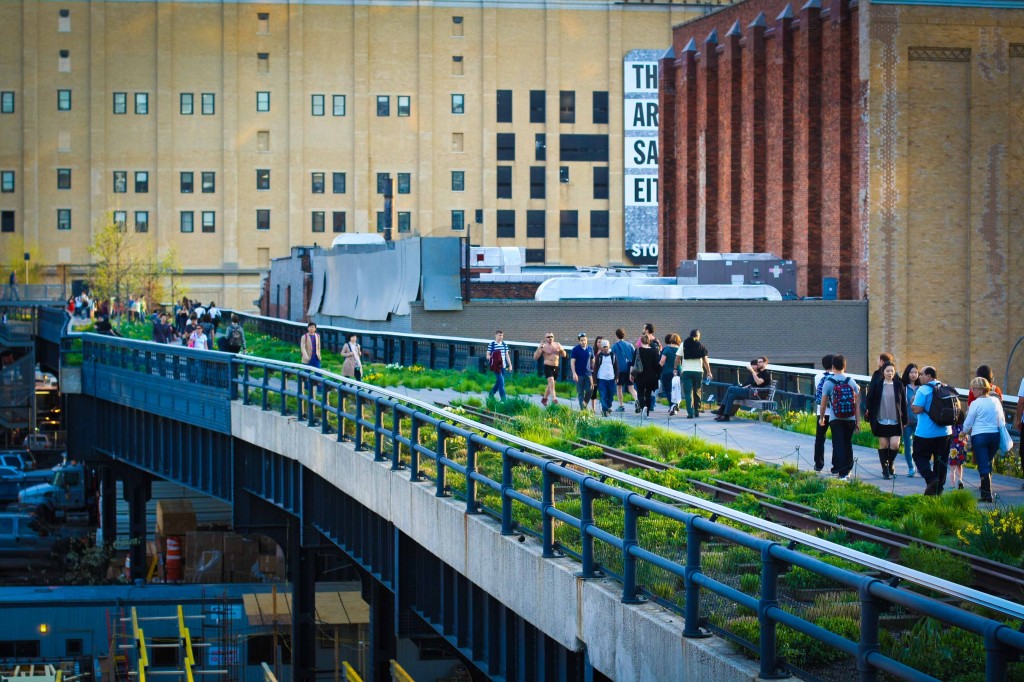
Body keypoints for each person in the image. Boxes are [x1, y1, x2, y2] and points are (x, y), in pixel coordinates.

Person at [912, 366, 954, 496]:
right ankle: (937, 492)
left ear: (929, 376)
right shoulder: (946, 388)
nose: (919, 377)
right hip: (945, 432)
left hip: (926, 433)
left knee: (919, 456)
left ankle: (932, 480)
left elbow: (917, 409)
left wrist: (912, 402)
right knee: (941, 461)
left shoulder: (923, 390)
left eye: (922, 374)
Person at [962, 377, 1005, 503]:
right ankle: (987, 490)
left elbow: (968, 423)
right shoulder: (995, 401)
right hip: (994, 436)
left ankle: (986, 495)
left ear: (981, 390)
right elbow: (1001, 420)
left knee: (983, 465)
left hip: (980, 436)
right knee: (987, 462)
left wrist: (963, 432)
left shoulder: (975, 404)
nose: (972, 391)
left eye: (973, 389)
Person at [819, 354, 860, 481]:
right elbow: (857, 404)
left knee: (838, 444)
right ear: (844, 366)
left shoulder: (828, 382)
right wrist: (858, 421)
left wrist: (822, 418)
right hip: (850, 418)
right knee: (847, 443)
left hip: (835, 418)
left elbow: (823, 403)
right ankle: (847, 471)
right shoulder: (851, 381)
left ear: (832, 366)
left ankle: (840, 471)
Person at [864, 362, 907, 479]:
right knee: (883, 444)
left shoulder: (899, 385)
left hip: (895, 420)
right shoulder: (878, 385)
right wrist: (869, 412)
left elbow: (903, 404)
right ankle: (885, 469)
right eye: (888, 371)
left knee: (894, 444)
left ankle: (890, 463)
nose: (890, 373)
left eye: (892, 371)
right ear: (883, 372)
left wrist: (905, 420)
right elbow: (869, 399)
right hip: (881, 419)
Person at [715, 357, 772, 422]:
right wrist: (742, 388)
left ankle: (721, 409)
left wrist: (752, 371)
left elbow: (758, 382)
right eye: (758, 362)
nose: (758, 363)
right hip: (751, 391)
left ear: (765, 363)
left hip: (756, 394)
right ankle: (726, 416)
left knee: (731, 388)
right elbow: (752, 384)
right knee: (731, 395)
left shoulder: (766, 373)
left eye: (760, 362)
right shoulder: (760, 373)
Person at [675, 329, 711, 418]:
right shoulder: (701, 346)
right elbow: (705, 360)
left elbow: (678, 358)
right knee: (697, 391)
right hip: (698, 372)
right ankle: (697, 411)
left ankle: (690, 413)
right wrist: (709, 372)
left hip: (686, 371)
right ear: (698, 336)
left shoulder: (684, 344)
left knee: (688, 392)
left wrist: (675, 368)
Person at [812, 354, 835, 473]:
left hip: (821, 411)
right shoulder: (838, 377)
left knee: (820, 439)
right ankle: (836, 465)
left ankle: (818, 465)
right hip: (836, 413)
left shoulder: (817, 376)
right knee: (836, 440)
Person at [633, 333, 661, 418]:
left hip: (640, 375)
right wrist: (658, 374)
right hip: (651, 376)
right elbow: (657, 364)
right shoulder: (654, 351)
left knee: (640, 393)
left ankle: (643, 406)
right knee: (648, 393)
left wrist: (631, 374)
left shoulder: (637, 350)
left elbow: (633, 363)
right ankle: (647, 412)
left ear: (641, 341)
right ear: (649, 342)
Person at [533, 332, 566, 406]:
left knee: (550, 385)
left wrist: (561, 350)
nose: (550, 338)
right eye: (548, 337)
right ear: (545, 338)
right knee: (551, 382)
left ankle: (544, 399)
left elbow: (564, 355)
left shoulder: (557, 345)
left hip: (556, 367)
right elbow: (535, 357)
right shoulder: (543, 346)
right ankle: (554, 399)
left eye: (551, 336)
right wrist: (539, 348)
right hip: (547, 366)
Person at [899, 364, 920, 477]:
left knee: (920, 446)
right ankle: (911, 467)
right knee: (908, 445)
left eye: (916, 372)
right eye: (911, 372)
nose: (913, 375)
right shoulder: (903, 387)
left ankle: (920, 466)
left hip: (920, 422)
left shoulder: (921, 388)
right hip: (907, 421)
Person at [611, 328, 637, 412]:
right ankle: (637, 401)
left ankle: (621, 406)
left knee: (619, 387)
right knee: (631, 388)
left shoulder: (614, 346)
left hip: (619, 370)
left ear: (616, 335)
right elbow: (634, 357)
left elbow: (612, 359)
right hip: (629, 370)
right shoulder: (630, 345)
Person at [593, 339, 618, 416]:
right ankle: (605, 410)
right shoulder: (599, 356)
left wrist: (617, 377)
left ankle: (608, 406)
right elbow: (595, 368)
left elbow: (616, 367)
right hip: (602, 379)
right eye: (604, 347)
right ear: (601, 348)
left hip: (611, 379)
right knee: (603, 395)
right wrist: (595, 381)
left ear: (609, 346)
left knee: (610, 396)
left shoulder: (613, 355)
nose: (605, 348)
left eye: (606, 347)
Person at [570, 333, 595, 410]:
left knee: (590, 390)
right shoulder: (575, 349)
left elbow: (593, 361)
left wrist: (594, 371)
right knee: (580, 393)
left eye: (584, 340)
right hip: (579, 374)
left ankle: (584, 403)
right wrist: (574, 373)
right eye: (581, 340)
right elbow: (572, 362)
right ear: (579, 341)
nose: (583, 342)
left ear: (586, 340)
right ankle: (583, 410)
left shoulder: (590, 349)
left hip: (588, 373)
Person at [486, 330, 511, 401]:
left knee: (498, 382)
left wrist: (510, 365)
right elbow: (487, 354)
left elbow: (507, 355)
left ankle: (491, 393)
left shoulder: (504, 344)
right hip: (496, 367)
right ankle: (504, 400)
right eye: (500, 335)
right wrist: (490, 358)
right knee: (502, 383)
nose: (501, 337)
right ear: (496, 335)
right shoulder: (492, 344)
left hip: (503, 366)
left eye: (502, 335)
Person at [659, 334, 680, 415]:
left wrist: (658, 369)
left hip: (667, 372)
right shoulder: (680, 350)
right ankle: (676, 405)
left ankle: (672, 406)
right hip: (678, 371)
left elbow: (662, 361)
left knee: (668, 390)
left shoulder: (667, 349)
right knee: (677, 389)